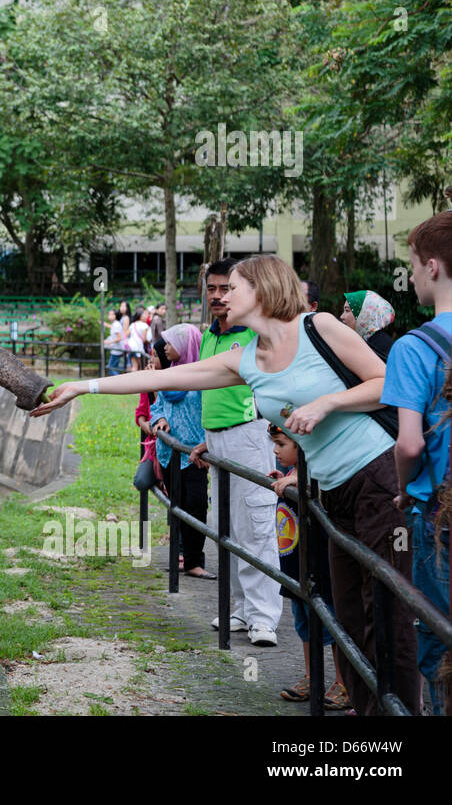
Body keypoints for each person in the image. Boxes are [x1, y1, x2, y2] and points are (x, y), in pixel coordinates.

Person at [34, 253, 420, 714]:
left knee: (387, 612)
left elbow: (386, 382)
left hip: (376, 476)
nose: (220, 296)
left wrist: (328, 404)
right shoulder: (246, 360)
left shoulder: (318, 328)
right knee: (348, 618)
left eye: (231, 287)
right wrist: (83, 387)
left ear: (260, 289)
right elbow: (166, 375)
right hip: (330, 492)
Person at [193, 258, 283, 646]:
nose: (217, 296)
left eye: (224, 289)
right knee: (226, 526)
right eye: (211, 288)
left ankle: (265, 617)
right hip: (216, 440)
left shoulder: (254, 334)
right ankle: (240, 609)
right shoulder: (209, 335)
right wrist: (208, 438)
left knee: (257, 527)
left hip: (249, 437)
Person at [383, 212, 452, 714]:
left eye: (411, 265)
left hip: (440, 514)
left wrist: (406, 488)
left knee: (440, 636)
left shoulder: (414, 346)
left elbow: (409, 445)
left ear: (432, 267)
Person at [267, 424, 349, 711]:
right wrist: (287, 480)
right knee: (303, 619)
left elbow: (317, 492)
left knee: (330, 618)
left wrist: (297, 482)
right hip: (295, 564)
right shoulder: (293, 475)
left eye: (281, 444)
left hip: (319, 564)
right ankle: (312, 675)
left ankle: (343, 682)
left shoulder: (317, 474)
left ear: (302, 447)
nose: (275, 450)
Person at [148, 325, 213, 579]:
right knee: (175, 506)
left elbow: (211, 413)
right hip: (169, 454)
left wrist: (209, 443)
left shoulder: (202, 379)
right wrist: (160, 419)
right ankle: (180, 556)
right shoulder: (169, 375)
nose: (165, 348)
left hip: (194, 455)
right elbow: (158, 405)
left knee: (195, 506)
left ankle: (195, 561)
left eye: (171, 342)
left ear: (186, 346)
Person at [341, 289, 395, 362]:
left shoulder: (382, 347)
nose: (342, 317)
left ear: (364, 314)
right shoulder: (360, 340)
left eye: (347, 311)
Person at [105, 311, 126, 376]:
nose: (109, 316)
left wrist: (109, 342)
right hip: (116, 350)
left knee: (110, 368)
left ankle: (120, 383)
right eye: (109, 314)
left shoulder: (116, 324)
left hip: (117, 350)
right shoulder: (115, 324)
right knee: (114, 368)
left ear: (115, 315)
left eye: (111, 314)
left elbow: (119, 338)